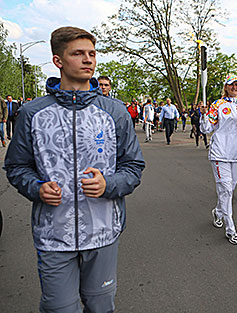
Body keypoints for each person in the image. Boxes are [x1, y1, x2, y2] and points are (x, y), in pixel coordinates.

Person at [4, 26, 145, 313]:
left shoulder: (115, 111)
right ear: (58, 61)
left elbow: (133, 166)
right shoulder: (32, 113)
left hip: (103, 231)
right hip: (53, 233)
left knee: (100, 306)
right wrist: (37, 188)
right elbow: (17, 166)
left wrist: (109, 184)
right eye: (78, 53)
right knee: (60, 309)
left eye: (92, 53)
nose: (88, 60)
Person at [200, 74, 237, 245]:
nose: (234, 87)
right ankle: (230, 228)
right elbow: (206, 129)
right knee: (226, 189)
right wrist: (203, 115)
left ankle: (218, 211)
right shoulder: (217, 105)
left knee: (229, 190)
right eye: (231, 85)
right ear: (226, 87)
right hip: (220, 152)